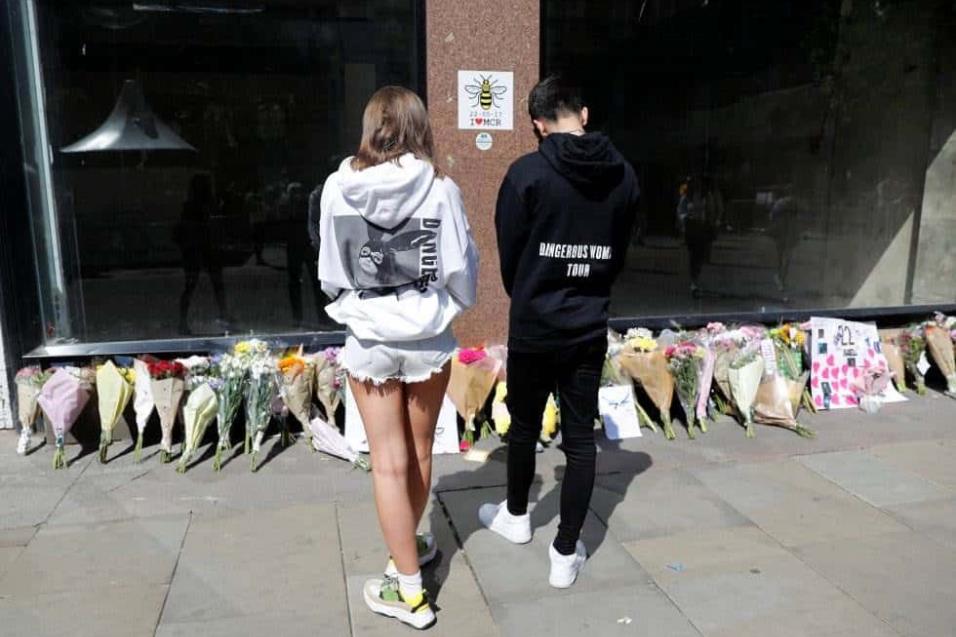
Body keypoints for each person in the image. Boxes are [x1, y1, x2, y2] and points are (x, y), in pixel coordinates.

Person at [318, 86, 478, 630]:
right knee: (420, 450)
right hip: (428, 340)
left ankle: (408, 589)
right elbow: (461, 269)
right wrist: (437, 310)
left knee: (387, 462)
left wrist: (360, 309)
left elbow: (330, 272)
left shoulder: (339, 189)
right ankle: (411, 550)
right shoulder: (441, 188)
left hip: (370, 340)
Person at [480, 75, 639, 588]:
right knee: (580, 440)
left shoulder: (526, 173)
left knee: (524, 428)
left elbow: (511, 257)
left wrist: (533, 289)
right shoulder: (625, 176)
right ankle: (565, 551)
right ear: (584, 114)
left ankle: (518, 516)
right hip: (587, 324)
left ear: (536, 124)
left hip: (536, 324)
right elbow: (618, 253)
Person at [175, 173, 230, 334]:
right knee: (211, 285)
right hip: (201, 247)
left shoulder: (194, 205)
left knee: (199, 285)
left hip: (200, 248)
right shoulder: (197, 206)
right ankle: (221, 316)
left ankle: (185, 321)